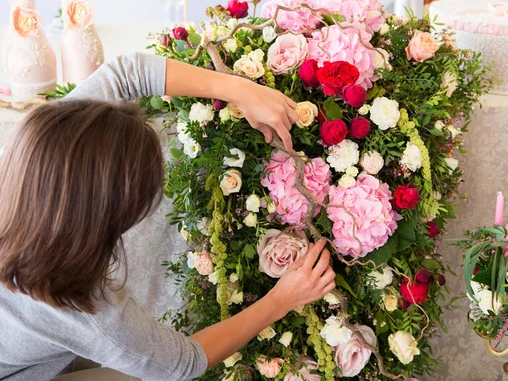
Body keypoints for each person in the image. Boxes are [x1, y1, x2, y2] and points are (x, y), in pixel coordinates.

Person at [0, 53, 336, 381]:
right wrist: (283, 298)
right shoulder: (85, 313)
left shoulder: (29, 149)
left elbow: (126, 73)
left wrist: (240, 89)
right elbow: (185, 362)